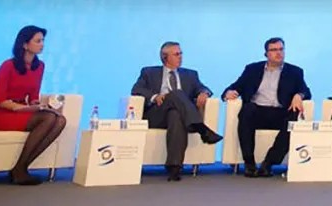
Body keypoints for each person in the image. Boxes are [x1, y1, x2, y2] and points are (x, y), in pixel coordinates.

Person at [130, 41, 222, 181]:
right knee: (176, 94)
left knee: (175, 115)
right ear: (165, 57)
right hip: (157, 114)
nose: (180, 57)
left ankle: (174, 168)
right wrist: (154, 96)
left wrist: (204, 93)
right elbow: (137, 89)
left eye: (181, 54)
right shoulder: (149, 72)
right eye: (176, 54)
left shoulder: (190, 74)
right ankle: (201, 128)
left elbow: (203, 88)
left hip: (180, 116)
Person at [0, 25, 67, 186]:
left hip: (23, 110)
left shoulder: (40, 66)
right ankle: (19, 170)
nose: (42, 44)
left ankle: (21, 167)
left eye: (43, 41)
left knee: (60, 120)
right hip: (3, 113)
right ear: (25, 44)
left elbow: (33, 97)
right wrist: (21, 108)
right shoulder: (8, 66)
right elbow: (1, 100)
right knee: (48, 119)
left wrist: (39, 105)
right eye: (38, 41)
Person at [223, 37, 311, 178]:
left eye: (281, 49)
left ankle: (268, 163)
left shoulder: (294, 71)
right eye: (274, 50)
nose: (278, 53)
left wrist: (299, 95)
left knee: (293, 118)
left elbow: (306, 91)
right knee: (247, 110)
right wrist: (228, 93)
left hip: (280, 112)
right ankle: (249, 163)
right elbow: (236, 86)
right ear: (266, 54)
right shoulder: (252, 69)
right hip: (257, 111)